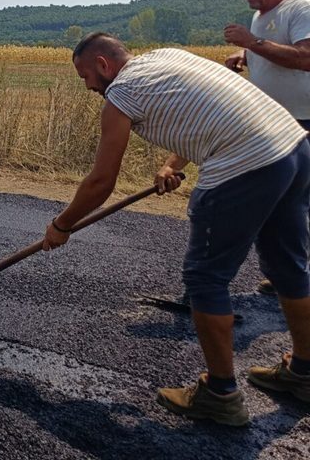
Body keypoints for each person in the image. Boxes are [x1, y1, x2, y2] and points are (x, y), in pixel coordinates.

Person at [44, 32, 310, 426]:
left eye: (85, 76)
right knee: (289, 266)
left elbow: (101, 181)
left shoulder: (120, 95)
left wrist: (61, 225)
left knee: (205, 278)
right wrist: (173, 165)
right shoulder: (168, 55)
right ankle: (305, 373)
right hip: (293, 147)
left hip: (247, 164)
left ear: (103, 65)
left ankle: (220, 395)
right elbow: (207, 112)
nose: (87, 87)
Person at [224, 0, 310, 295]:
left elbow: (305, 58)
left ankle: (293, 278)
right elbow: (272, 52)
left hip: (303, 119)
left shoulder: (300, 10)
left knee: (294, 201)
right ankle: (287, 275)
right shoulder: (260, 17)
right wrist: (245, 57)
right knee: (284, 200)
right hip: (273, 122)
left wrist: (251, 43)